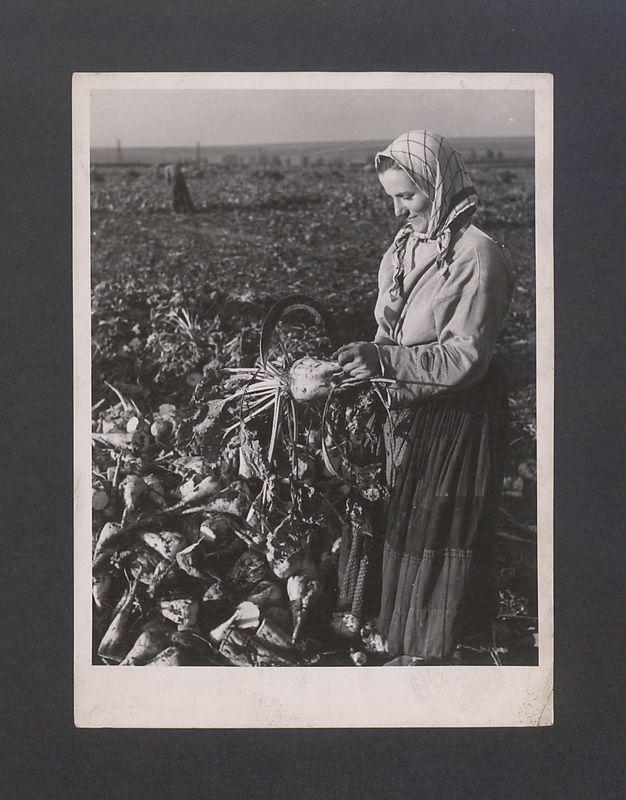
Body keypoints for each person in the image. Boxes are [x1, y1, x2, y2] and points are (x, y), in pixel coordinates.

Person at [334, 131, 514, 662]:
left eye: (407, 197)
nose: (398, 210)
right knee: (406, 524)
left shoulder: (477, 255)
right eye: (390, 197)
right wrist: (366, 361)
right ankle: (402, 639)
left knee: (438, 530)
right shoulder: (407, 247)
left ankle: (437, 653)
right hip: (411, 406)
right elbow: (391, 331)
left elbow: (465, 357)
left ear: (437, 188)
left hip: (458, 417)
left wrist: (385, 362)